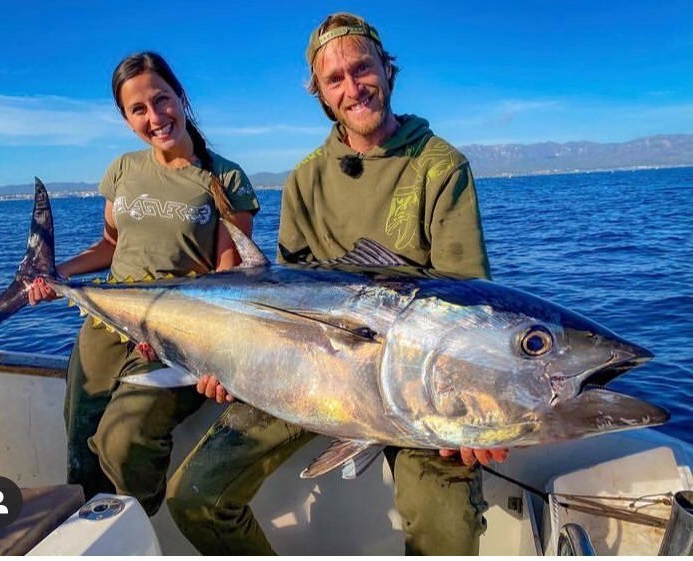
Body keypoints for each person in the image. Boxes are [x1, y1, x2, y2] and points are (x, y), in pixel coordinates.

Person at [170, 13, 507, 555]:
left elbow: (470, 307)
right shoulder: (305, 178)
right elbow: (278, 305)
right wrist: (227, 362)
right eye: (336, 80)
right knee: (194, 495)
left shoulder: (440, 166)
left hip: (417, 388)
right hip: (307, 377)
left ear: (387, 71)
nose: (354, 88)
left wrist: (487, 414)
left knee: (447, 529)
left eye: (362, 69)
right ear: (322, 96)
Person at [27, 51, 259, 515]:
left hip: (174, 332)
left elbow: (226, 280)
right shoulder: (123, 171)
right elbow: (110, 246)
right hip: (106, 325)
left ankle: (138, 524)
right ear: (125, 117)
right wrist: (57, 275)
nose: (155, 117)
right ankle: (96, 534)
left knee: (124, 442)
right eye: (139, 109)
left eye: (162, 100)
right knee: (80, 441)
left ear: (181, 97)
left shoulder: (224, 177)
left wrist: (193, 340)